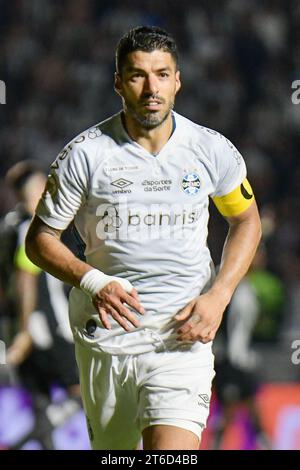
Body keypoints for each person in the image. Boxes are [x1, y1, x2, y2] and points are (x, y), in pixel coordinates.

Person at [25, 26, 261, 450]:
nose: (151, 87)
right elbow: (39, 240)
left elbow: (247, 221)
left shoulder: (211, 150)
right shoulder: (85, 155)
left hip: (181, 338)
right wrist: (94, 282)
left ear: (178, 80)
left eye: (162, 74)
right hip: (108, 338)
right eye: (137, 75)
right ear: (118, 83)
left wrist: (219, 295)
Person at [1, 161, 80, 449]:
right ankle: (24, 440)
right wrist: (24, 330)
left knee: (40, 403)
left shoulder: (8, 227)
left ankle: (38, 434)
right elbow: (25, 279)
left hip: (19, 332)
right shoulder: (29, 230)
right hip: (45, 327)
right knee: (81, 391)